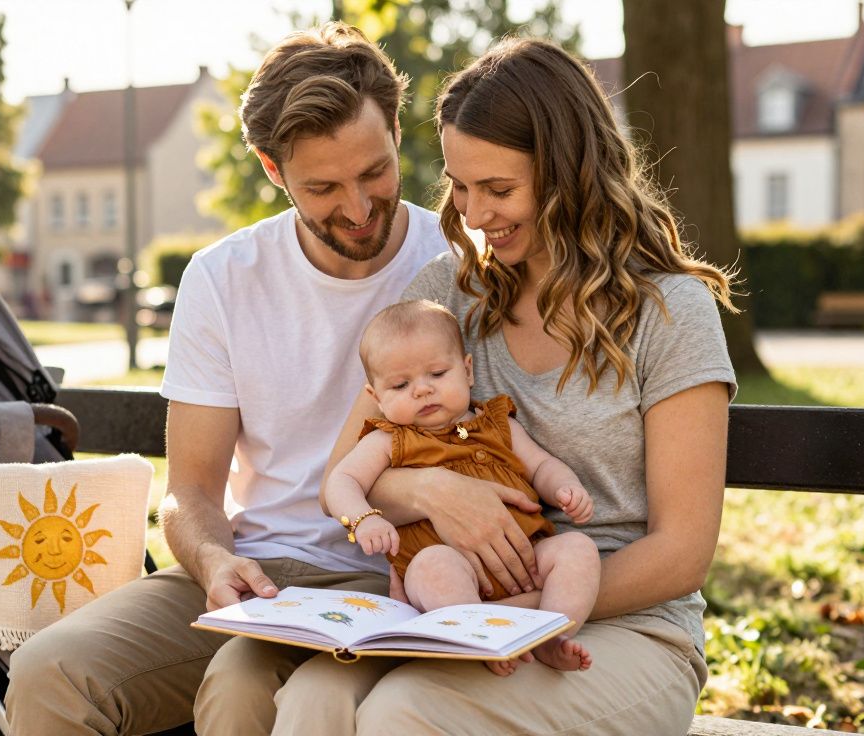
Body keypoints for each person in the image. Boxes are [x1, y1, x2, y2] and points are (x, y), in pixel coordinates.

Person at [266, 37, 738, 735]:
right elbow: (348, 470)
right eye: (459, 186)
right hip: (453, 602)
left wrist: (522, 611)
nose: (474, 214)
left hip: (621, 625)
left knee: (404, 714)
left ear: (570, 172)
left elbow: (682, 552)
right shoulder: (445, 299)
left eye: (499, 189)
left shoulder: (668, 311)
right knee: (313, 699)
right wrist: (434, 493)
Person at [4, 22, 453, 735]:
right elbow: (190, 491)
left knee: (243, 693)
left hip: (398, 575)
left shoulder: (458, 264)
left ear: (397, 130)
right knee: (48, 673)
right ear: (272, 170)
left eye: (375, 172)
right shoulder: (222, 278)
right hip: (255, 573)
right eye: (323, 187)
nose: (359, 208)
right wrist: (214, 560)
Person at [323, 299, 599, 675]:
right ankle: (478, 640)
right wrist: (363, 519)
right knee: (434, 567)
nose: (422, 390)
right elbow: (341, 480)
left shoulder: (498, 425)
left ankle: (550, 634)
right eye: (401, 385)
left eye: (437, 374)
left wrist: (565, 487)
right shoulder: (389, 440)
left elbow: (541, 465)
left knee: (578, 549)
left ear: (467, 371)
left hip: (525, 558)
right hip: (448, 571)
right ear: (376, 397)